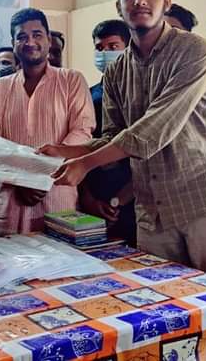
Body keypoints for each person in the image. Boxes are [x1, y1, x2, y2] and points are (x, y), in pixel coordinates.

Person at [40, 0, 206, 289]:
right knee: (165, 311)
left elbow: (155, 129)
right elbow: (115, 138)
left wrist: (84, 163)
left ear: (166, 1)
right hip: (153, 214)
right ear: (119, 5)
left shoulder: (196, 51)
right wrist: (64, 150)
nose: (140, 1)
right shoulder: (116, 71)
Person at [0, 8, 95, 236]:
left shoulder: (71, 80)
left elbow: (82, 132)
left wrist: (40, 175)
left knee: (60, 258)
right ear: (13, 44)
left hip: (58, 195)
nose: (30, 42)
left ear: (48, 39)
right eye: (22, 37)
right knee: (10, 258)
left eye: (37, 34)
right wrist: (21, 179)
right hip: (12, 198)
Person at [81, 19, 135, 243]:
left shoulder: (141, 94)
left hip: (134, 197)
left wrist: (119, 200)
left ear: (128, 47)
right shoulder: (88, 94)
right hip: (94, 195)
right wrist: (89, 200)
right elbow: (82, 145)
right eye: (99, 48)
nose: (105, 53)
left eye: (113, 47)